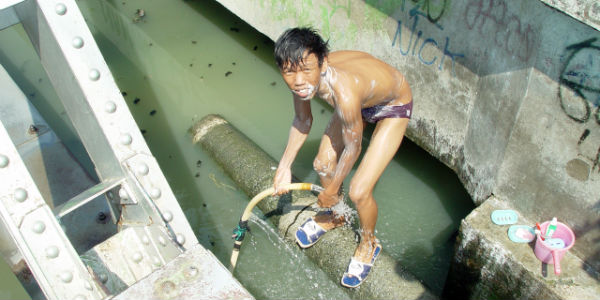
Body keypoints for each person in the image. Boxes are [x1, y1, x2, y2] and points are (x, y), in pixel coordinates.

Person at [272, 27, 413, 288]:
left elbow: (353, 148)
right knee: (322, 164)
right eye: (289, 72)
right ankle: (335, 216)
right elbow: (303, 119)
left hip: (391, 105)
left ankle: (369, 243)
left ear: (322, 63)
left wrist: (333, 189)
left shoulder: (343, 91)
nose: (298, 80)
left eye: (306, 70)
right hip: (363, 94)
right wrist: (284, 167)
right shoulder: (301, 80)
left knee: (359, 191)